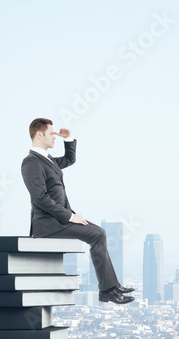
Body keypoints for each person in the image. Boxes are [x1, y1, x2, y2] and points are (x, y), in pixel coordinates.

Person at [20, 118, 134, 305]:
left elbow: (69, 159)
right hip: (49, 225)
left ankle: (112, 287)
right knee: (98, 234)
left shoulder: (46, 160)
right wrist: (70, 216)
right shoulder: (31, 162)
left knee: (98, 233)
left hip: (59, 220)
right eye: (51, 134)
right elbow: (40, 198)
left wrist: (68, 138)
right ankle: (107, 290)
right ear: (39, 135)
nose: (54, 137)